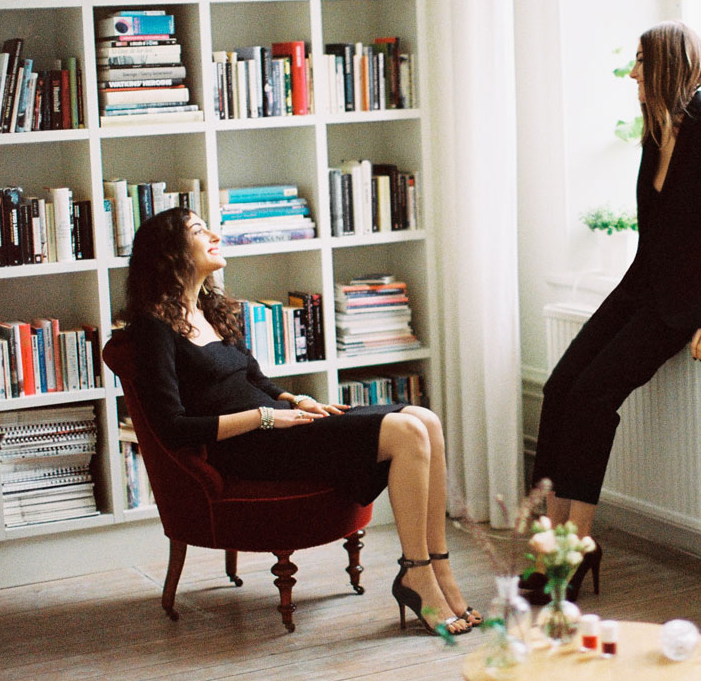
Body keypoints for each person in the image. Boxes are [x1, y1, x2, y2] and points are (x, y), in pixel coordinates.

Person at [121, 207, 477, 636]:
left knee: (425, 419)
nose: (214, 235)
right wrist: (266, 418)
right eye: (199, 230)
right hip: (249, 448)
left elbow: (254, 378)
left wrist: (296, 399)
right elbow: (172, 426)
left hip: (281, 427)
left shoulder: (209, 310)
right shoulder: (154, 329)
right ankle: (416, 575)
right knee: (406, 431)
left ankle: (438, 568)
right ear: (169, 253)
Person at [528, 20, 701, 602]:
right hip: (639, 288)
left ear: (668, 66)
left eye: (641, 63)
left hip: (680, 304)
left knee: (591, 397)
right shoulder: (655, 134)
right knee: (558, 388)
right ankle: (550, 541)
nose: (632, 74)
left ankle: (576, 545)